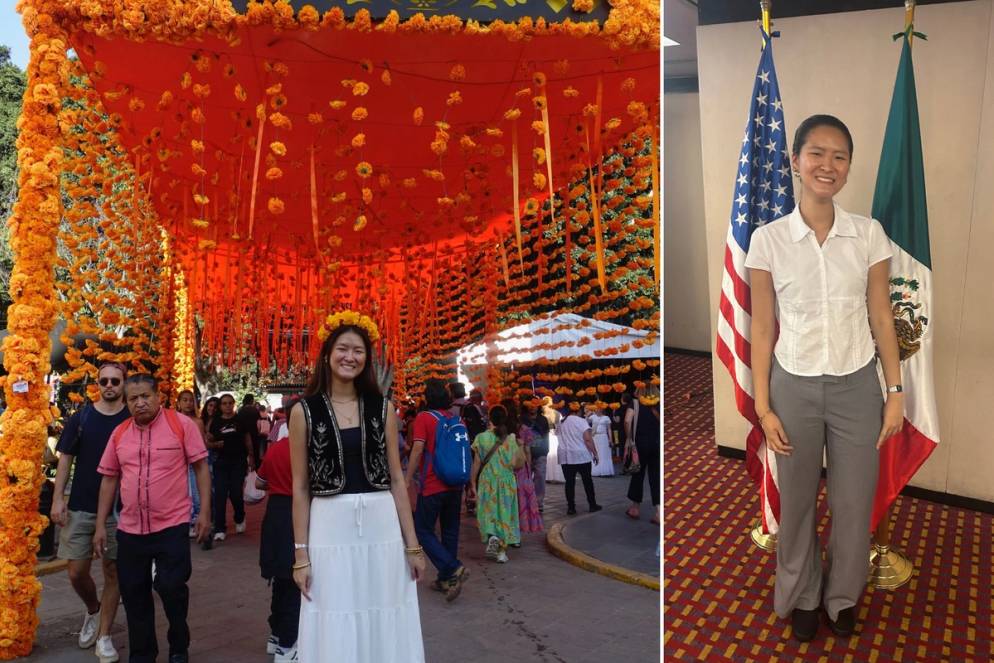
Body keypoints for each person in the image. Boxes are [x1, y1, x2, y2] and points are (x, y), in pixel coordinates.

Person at [745, 114, 903, 643]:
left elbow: (881, 315)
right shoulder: (768, 240)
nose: (827, 165)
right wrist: (764, 408)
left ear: (849, 166)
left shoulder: (868, 235)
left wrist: (895, 392)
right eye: (816, 153)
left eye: (839, 156)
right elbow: (762, 327)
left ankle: (841, 597)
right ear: (795, 161)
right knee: (795, 505)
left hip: (858, 387)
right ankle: (803, 594)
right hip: (793, 387)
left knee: (854, 503)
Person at [290, 311, 425, 662]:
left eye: (359, 351)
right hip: (329, 526)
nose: (350, 357)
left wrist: (412, 545)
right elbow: (301, 488)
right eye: (343, 349)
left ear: (367, 359)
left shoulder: (383, 408)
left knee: (385, 604)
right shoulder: (304, 411)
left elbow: (397, 479)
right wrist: (301, 554)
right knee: (333, 607)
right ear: (327, 354)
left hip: (381, 525)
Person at [93, 374, 211, 663]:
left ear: (159, 397)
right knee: (134, 594)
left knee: (171, 587)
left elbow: (201, 468)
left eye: (146, 396)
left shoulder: (180, 425)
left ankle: (178, 644)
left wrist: (205, 513)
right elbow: (109, 479)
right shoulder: (120, 433)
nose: (140, 403)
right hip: (130, 529)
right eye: (133, 398)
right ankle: (143, 654)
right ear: (126, 401)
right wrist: (99, 525)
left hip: (172, 525)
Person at [50, 362, 130, 662]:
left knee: (113, 571)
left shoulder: (131, 417)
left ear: (123, 383)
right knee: (76, 572)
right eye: (104, 380)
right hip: (82, 505)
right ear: (97, 383)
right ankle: (93, 609)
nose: (109, 385)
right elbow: (65, 459)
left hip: (120, 509)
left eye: (115, 381)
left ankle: (105, 635)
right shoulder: (81, 416)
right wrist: (58, 498)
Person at [405, 379, 470, 601]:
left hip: (433, 484)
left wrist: (406, 478)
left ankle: (452, 567)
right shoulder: (455, 418)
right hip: (455, 484)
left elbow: (417, 449)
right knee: (450, 531)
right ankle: (446, 580)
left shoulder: (425, 418)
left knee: (422, 530)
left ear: (427, 398)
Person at [255, 425, 299, 662]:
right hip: (296, 515)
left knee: (280, 580)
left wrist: (277, 485)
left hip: (275, 514)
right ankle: (288, 645)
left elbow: (259, 482)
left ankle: (276, 635)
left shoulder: (275, 449)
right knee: (294, 581)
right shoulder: (307, 449)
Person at [469, 405, 523, 562]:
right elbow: (515, 463)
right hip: (506, 480)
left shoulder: (481, 438)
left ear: (489, 418)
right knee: (505, 514)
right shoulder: (511, 439)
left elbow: (477, 463)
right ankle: (501, 552)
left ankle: (492, 535)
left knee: (489, 511)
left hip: (487, 480)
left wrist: (472, 483)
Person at [207, 393, 256, 541]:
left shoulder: (240, 420)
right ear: (220, 406)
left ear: (234, 404)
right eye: (224, 403)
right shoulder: (215, 422)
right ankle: (220, 528)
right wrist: (215, 444)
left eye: (230, 403)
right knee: (220, 495)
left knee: (235, 493)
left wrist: (251, 457)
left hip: (238, 462)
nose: (227, 406)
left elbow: (247, 438)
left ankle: (240, 517)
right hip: (220, 462)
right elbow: (207, 442)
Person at [502, 399, 542, 535]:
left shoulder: (497, 431)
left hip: (503, 466)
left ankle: (506, 525)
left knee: (506, 497)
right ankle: (521, 524)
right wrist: (529, 468)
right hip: (520, 467)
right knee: (521, 496)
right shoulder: (523, 429)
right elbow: (527, 451)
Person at [556, 402, 602, 515]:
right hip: (581, 456)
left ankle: (571, 508)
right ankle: (592, 505)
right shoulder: (581, 421)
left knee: (569, 483)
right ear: (578, 410)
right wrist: (595, 453)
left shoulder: (561, 422)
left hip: (566, 456)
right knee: (587, 481)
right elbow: (587, 439)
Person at [624, 388, 660, 524]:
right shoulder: (658, 403)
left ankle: (635, 508)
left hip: (640, 444)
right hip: (656, 444)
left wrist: (628, 438)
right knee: (655, 476)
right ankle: (658, 512)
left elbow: (627, 421)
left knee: (637, 474)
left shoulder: (635, 403)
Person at [176, 389, 207, 538]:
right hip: (177, 463)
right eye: (185, 400)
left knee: (196, 493)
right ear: (179, 403)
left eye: (191, 400)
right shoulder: (173, 420)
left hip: (193, 462)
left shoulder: (198, 421)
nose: (188, 403)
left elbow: (201, 444)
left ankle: (197, 522)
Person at [521, 401, 549, 512]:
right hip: (524, 453)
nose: (533, 407)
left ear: (539, 406)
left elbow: (546, 435)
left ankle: (538, 502)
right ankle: (524, 501)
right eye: (530, 405)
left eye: (535, 405)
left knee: (540, 478)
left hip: (540, 452)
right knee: (524, 478)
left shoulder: (543, 419)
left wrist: (546, 451)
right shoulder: (522, 419)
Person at [541, 396, 566, 483]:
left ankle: (546, 476)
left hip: (545, 437)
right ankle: (555, 477)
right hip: (554, 437)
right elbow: (560, 428)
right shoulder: (557, 414)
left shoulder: (542, 415)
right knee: (554, 457)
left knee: (546, 456)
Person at [589, 405, 615, 477]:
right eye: (596, 408)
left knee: (604, 453)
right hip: (595, 437)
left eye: (598, 408)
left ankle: (605, 471)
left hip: (603, 437)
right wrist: (589, 413)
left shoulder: (606, 418)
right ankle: (595, 471)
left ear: (601, 409)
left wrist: (610, 439)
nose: (596, 410)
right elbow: (585, 420)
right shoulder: (593, 417)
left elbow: (609, 429)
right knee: (595, 452)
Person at [238, 393, 264, 467]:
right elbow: (258, 422)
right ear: (251, 400)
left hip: (243, 435)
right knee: (255, 452)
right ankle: (255, 469)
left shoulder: (241, 410)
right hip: (254, 434)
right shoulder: (255, 410)